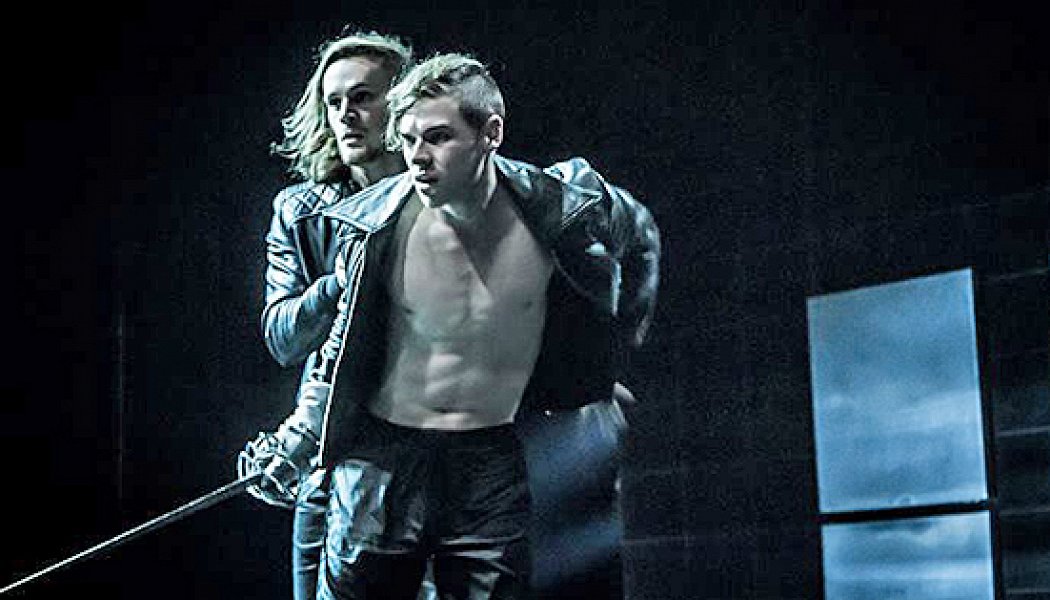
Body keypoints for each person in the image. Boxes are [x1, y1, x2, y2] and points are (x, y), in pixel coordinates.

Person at [237, 29, 439, 600]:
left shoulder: (443, 201)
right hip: (329, 468)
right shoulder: (299, 211)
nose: (346, 114)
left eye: (363, 98)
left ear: (402, 106)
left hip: (429, 468)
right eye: (334, 102)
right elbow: (283, 339)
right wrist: (337, 284)